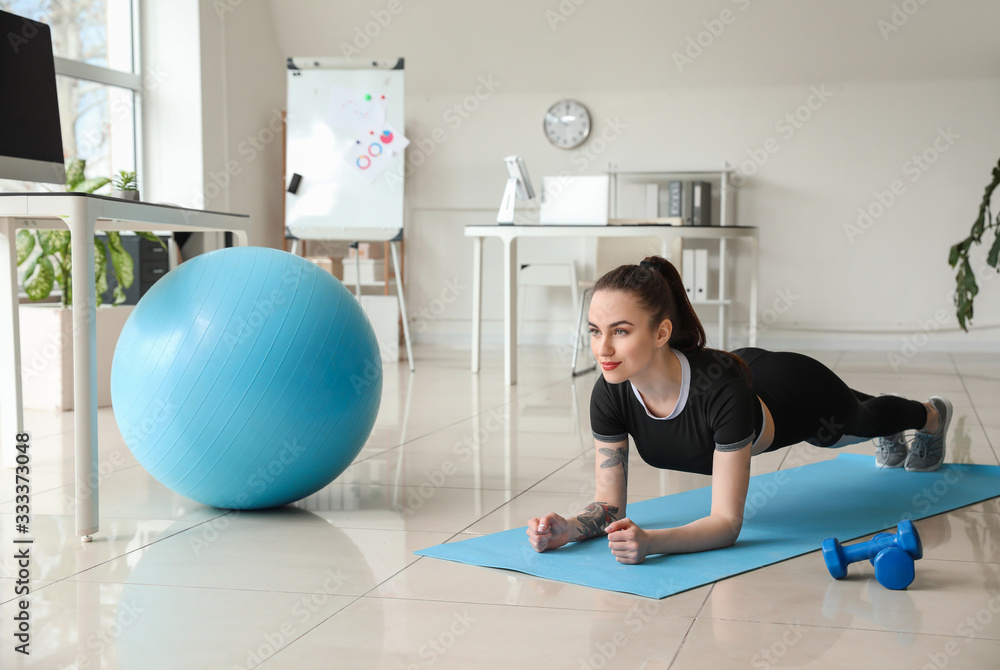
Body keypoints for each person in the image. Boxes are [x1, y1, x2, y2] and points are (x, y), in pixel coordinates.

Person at [527, 256, 951, 565]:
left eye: (620, 332)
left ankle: (930, 415)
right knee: (862, 411)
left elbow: (727, 523)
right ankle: (893, 430)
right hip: (743, 371)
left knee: (860, 423)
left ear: (661, 332)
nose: (602, 349)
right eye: (595, 331)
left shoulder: (720, 392)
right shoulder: (610, 391)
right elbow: (609, 506)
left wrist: (653, 542)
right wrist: (568, 527)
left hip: (795, 391)